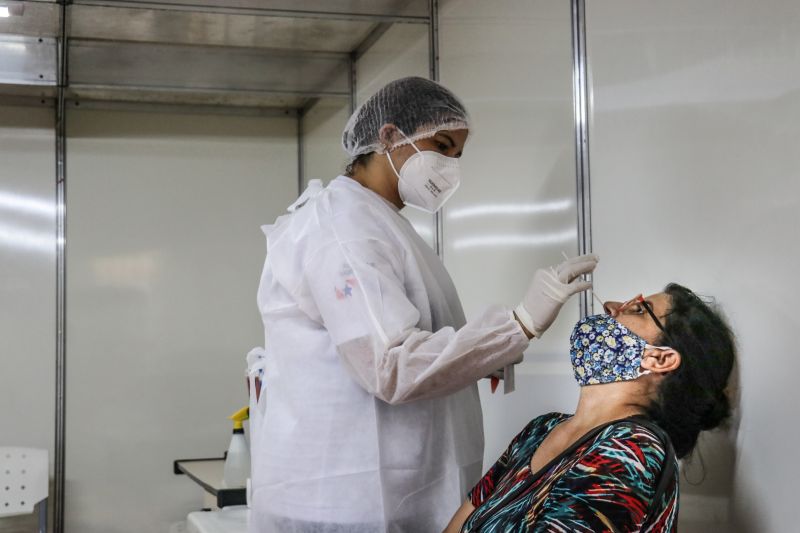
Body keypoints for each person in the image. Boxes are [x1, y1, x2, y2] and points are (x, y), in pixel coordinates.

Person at [246, 76, 599, 532]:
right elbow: (389, 364)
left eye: (457, 156)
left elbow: (402, 339)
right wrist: (519, 325)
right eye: (442, 145)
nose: (449, 166)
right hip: (348, 503)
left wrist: (481, 357)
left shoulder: (381, 223)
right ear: (390, 136)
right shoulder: (344, 227)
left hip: (391, 496)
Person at [444, 283, 736, 532]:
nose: (610, 306)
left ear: (660, 360)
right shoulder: (540, 429)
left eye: (638, 310)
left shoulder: (633, 451)